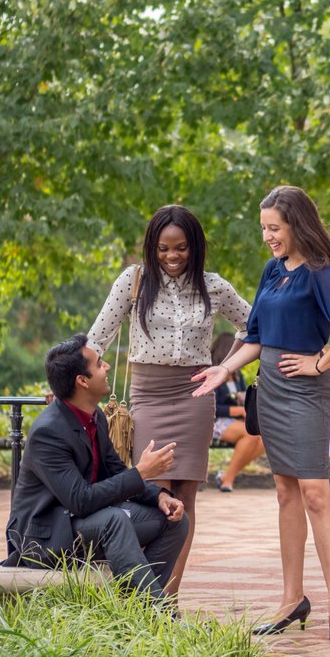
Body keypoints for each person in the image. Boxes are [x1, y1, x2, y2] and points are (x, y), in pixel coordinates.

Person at [192, 185, 330, 645]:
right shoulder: (272, 270)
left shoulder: (321, 270)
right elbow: (255, 335)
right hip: (269, 386)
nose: (268, 236)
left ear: (297, 224)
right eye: (264, 228)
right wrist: (224, 368)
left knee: (315, 492)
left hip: (306, 391)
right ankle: (292, 599)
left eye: (275, 228)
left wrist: (319, 362)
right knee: (286, 492)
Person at [87, 205, 251, 595]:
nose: (172, 257)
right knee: (155, 496)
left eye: (181, 248)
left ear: (195, 247)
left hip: (195, 395)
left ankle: (169, 598)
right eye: (163, 249)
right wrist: (67, 386)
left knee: (186, 498)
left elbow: (252, 324)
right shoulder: (134, 281)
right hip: (149, 394)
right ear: (151, 247)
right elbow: (98, 337)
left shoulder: (214, 286)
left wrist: (224, 368)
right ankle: (147, 594)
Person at [1, 334, 186, 601]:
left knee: (175, 521)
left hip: (79, 522)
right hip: (44, 537)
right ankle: (158, 615)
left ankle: (140, 610)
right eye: (100, 364)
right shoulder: (48, 432)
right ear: (82, 381)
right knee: (114, 520)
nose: (107, 366)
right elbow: (81, 500)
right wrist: (142, 472)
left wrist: (160, 496)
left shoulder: (94, 416)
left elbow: (115, 471)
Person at [209, 331, 264, 493]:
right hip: (216, 421)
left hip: (233, 422)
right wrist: (238, 410)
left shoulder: (238, 376)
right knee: (250, 434)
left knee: (262, 440)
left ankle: (226, 475)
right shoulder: (214, 373)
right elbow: (213, 406)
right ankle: (228, 479)